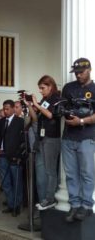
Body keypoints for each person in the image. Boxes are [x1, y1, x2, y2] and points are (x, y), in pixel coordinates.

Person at [61, 58, 95, 222]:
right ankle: (74, 204)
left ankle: (86, 205)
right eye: (76, 73)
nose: (78, 76)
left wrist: (81, 121)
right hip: (68, 136)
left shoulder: (94, 89)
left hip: (86, 136)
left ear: (89, 70)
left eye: (81, 72)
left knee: (87, 173)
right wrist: (65, 113)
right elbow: (63, 107)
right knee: (70, 174)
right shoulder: (69, 88)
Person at [29, 75, 61, 211]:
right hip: (42, 138)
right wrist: (30, 106)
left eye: (43, 88)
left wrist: (37, 104)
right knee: (42, 172)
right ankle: (44, 199)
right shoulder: (45, 99)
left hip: (52, 138)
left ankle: (50, 198)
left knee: (50, 171)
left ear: (50, 86)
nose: (41, 91)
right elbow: (36, 118)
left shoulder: (56, 98)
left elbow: (50, 115)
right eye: (40, 88)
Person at [0, 100, 25, 217]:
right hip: (2, 154)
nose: (6, 111)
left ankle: (17, 206)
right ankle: (11, 203)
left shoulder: (20, 121)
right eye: (4, 109)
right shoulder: (2, 121)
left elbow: (22, 140)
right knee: (5, 181)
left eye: (8, 109)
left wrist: (18, 155)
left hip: (14, 156)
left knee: (16, 181)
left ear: (13, 108)